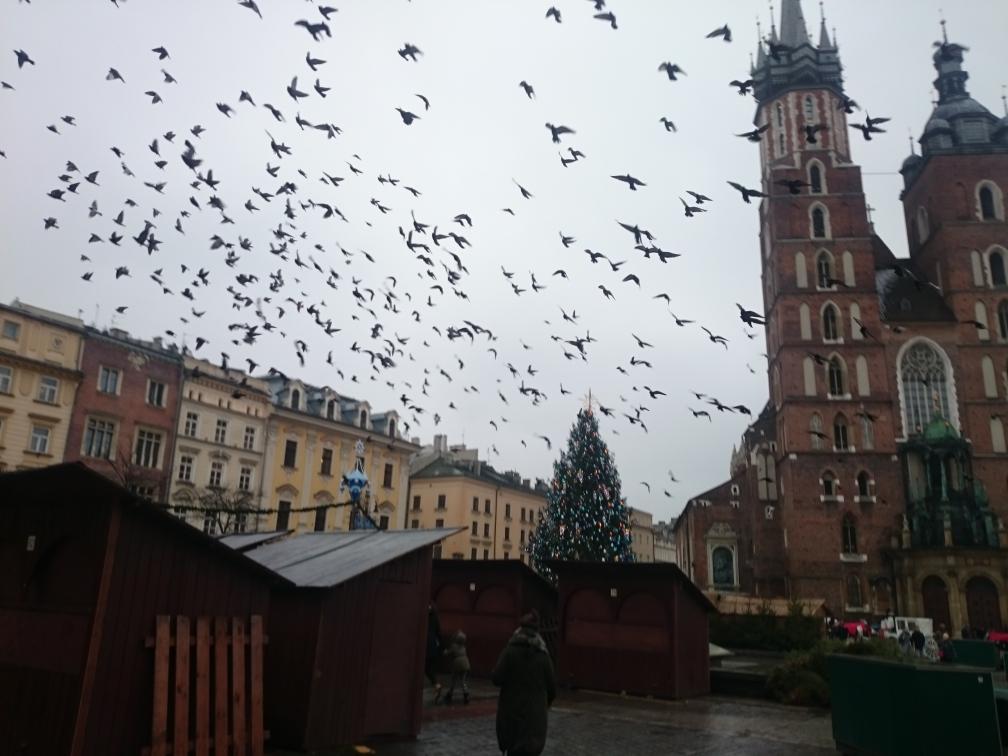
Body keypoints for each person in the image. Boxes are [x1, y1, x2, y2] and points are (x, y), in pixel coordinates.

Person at [492, 609, 557, 756]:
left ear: (520, 629)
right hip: (535, 721)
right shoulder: (543, 655)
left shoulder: (510, 651)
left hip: (511, 717)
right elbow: (552, 689)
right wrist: (544, 705)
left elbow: (496, 678)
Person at [443, 630, 471, 705]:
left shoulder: (454, 646)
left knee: (453, 680)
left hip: (457, 664)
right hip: (465, 663)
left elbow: (447, 653)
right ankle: (466, 694)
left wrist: (444, 651)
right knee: (463, 680)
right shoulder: (464, 647)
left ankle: (450, 694)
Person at [425, 603, 443, 703]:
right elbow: (439, 632)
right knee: (430, 668)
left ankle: (436, 685)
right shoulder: (435, 618)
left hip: (426, 645)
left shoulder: (425, 617)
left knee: (426, 668)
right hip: (433, 646)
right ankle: (436, 685)